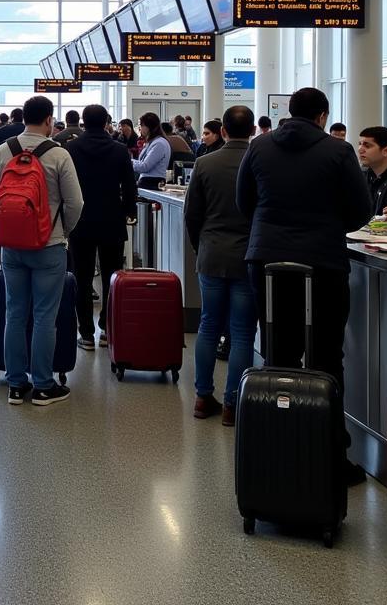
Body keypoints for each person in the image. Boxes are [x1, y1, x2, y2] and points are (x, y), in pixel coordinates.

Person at [236, 87, 372, 485]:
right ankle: (330, 456)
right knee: (327, 358)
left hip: (266, 260)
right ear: (322, 116)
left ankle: (277, 450)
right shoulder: (338, 151)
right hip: (324, 262)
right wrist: (326, 228)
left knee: (278, 354)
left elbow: (245, 203)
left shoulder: (259, 148)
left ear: (288, 112)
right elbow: (361, 209)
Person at [0, 95, 83, 406]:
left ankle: (15, 385)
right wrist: (62, 231)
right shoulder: (59, 155)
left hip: (10, 246)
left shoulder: (3, 150)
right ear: (48, 120)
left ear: (22, 118)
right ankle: (43, 385)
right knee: (44, 316)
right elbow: (75, 203)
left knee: (14, 312)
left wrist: (6, 227)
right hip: (48, 246)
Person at [184, 105, 256, 426]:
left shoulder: (204, 163)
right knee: (242, 333)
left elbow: (192, 214)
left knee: (208, 326)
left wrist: (201, 247)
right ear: (253, 130)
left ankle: (202, 397)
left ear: (223, 131)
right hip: (248, 256)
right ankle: (232, 404)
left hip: (211, 254)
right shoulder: (259, 163)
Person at [66, 104, 137, 350]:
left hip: (80, 221)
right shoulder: (119, 150)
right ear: (107, 121)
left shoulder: (71, 148)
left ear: (84, 122)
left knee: (82, 278)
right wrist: (130, 212)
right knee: (112, 277)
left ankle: (85, 334)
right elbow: (129, 186)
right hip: (111, 220)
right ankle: (107, 330)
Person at [131, 114, 170, 189]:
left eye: (141, 125)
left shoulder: (159, 143)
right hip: (148, 181)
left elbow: (145, 166)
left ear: (149, 127)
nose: (139, 128)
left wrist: (128, 162)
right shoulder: (152, 142)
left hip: (152, 182)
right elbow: (142, 162)